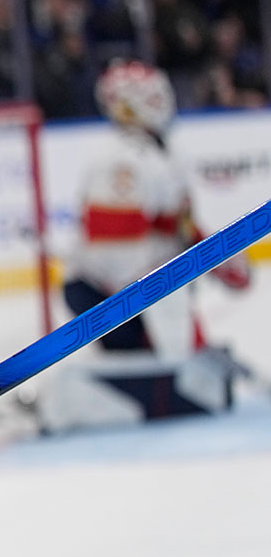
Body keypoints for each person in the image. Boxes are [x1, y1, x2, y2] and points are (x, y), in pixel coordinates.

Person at [34, 60, 251, 434]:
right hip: (105, 295)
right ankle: (72, 400)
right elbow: (114, 250)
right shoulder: (119, 161)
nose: (161, 102)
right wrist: (162, 299)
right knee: (178, 374)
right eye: (151, 96)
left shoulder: (163, 153)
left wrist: (216, 256)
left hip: (139, 291)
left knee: (186, 371)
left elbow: (176, 227)